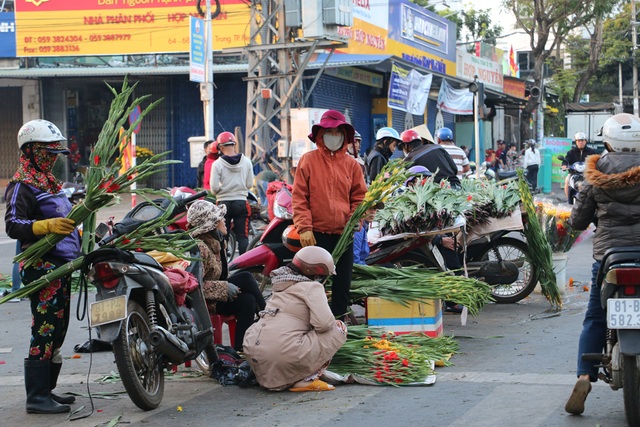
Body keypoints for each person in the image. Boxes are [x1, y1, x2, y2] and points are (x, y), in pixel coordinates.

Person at [565, 113, 640, 415]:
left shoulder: (594, 173)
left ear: (607, 140)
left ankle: (584, 376)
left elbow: (578, 221)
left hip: (609, 256)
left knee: (595, 318)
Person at [4, 119, 81, 414]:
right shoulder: (21, 185)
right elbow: (13, 224)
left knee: (59, 328)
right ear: (32, 152)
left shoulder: (49, 184)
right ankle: (36, 397)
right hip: (41, 266)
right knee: (45, 329)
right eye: (48, 153)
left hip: (61, 265)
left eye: (55, 153)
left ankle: (47, 390)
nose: (52, 158)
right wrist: (43, 225)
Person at [292, 109, 367, 319]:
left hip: (344, 234)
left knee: (342, 284)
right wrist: (304, 228)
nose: (333, 136)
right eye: (329, 132)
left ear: (344, 135)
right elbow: (299, 198)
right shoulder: (308, 161)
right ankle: (314, 324)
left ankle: (338, 325)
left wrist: (356, 219)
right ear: (320, 135)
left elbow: (359, 197)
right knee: (315, 284)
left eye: (337, 132)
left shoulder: (352, 165)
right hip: (316, 234)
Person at [243, 246, 348, 391]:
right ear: (316, 272)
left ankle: (282, 377)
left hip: (255, 352)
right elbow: (324, 324)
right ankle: (305, 379)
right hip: (282, 354)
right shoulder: (312, 288)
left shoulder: (280, 283)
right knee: (338, 327)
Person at [186, 199, 266, 352]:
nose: (224, 220)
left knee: (248, 300)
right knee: (246, 278)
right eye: (219, 219)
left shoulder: (217, 242)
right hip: (203, 302)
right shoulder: (198, 248)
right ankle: (268, 318)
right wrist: (224, 287)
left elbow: (221, 275)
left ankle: (240, 349)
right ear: (211, 225)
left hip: (217, 297)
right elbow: (193, 285)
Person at [210, 131, 254, 255]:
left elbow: (213, 188)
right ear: (234, 144)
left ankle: (223, 268)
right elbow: (250, 184)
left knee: (222, 236)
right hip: (241, 202)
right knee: (243, 237)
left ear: (220, 147)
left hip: (223, 203)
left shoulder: (217, 164)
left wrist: (222, 190)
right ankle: (244, 266)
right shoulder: (246, 161)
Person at [562, 131, 597, 204]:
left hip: (587, 174)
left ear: (585, 141)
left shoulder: (591, 152)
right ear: (576, 142)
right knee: (567, 181)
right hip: (573, 173)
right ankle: (568, 199)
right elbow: (566, 159)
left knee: (595, 184)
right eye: (578, 141)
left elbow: (596, 160)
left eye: (582, 140)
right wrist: (564, 164)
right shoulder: (571, 152)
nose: (580, 142)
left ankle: (594, 201)